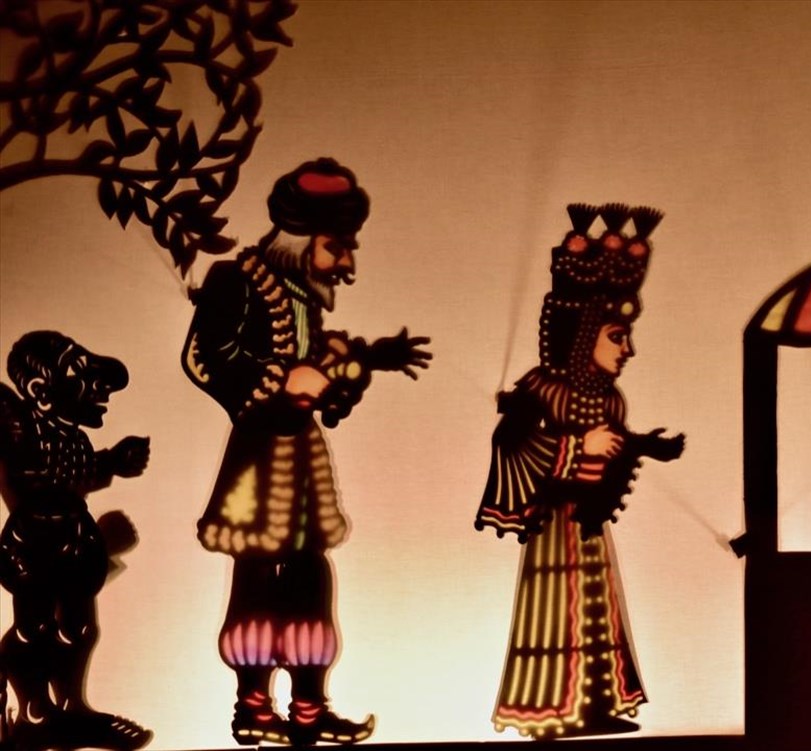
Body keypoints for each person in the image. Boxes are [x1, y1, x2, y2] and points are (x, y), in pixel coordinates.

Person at [182, 158, 431, 745]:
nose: (347, 265)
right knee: (256, 576)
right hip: (259, 459)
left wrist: (364, 361)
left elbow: (318, 371)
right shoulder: (236, 282)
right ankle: (253, 707)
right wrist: (278, 380)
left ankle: (309, 710)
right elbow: (204, 358)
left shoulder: (302, 296)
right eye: (336, 247)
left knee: (309, 575)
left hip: (301, 459)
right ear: (301, 240)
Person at [474, 203, 684, 739]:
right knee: (554, 611)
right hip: (551, 525)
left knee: (596, 610)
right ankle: (550, 708)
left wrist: (643, 447)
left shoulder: (610, 399)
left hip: (591, 522)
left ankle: (594, 704)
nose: (627, 349)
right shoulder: (542, 389)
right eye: (617, 336)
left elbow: (615, 449)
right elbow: (511, 444)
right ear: (585, 334)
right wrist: (574, 448)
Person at [0, 331, 151, 751]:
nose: (101, 391)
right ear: (41, 391)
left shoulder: (73, 438)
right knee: (34, 627)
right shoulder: (23, 434)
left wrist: (112, 463)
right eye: (81, 374)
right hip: (34, 542)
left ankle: (72, 708)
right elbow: (46, 480)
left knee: (80, 627)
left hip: (73, 539)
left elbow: (77, 475)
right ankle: (34, 712)